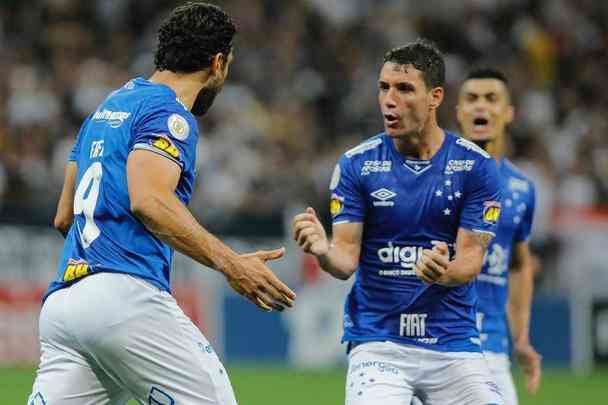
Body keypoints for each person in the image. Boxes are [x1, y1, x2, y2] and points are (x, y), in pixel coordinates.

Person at [28, 3, 295, 404]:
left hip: (64, 305)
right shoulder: (169, 113)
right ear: (218, 63)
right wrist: (231, 263)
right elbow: (148, 200)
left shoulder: (106, 109)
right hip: (123, 298)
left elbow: (64, 216)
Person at [292, 39, 503, 405]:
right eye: (384, 87)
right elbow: (345, 260)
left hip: (452, 343)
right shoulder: (357, 165)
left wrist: (445, 271)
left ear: (435, 97)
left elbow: (470, 260)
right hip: (379, 343)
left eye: (404, 89)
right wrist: (324, 250)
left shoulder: (476, 167)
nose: (389, 99)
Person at [457, 68, 542, 404]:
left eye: (491, 99)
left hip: (492, 348)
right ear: (459, 112)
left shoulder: (522, 189)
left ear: (508, 112)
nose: (481, 107)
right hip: (436, 345)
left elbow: (519, 265)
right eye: (471, 99)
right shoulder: (432, 176)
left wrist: (520, 337)